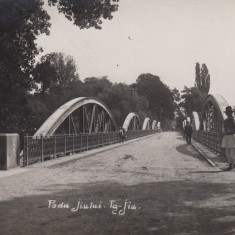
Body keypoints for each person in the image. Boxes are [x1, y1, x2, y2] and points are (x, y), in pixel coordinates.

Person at [221, 106, 235, 171]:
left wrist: (231, 130)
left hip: (232, 136)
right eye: (228, 113)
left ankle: (233, 165)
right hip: (227, 137)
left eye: (230, 112)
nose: (229, 114)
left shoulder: (234, 120)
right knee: (227, 152)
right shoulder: (225, 121)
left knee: (232, 151)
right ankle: (230, 164)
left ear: (232, 113)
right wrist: (225, 131)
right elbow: (223, 128)